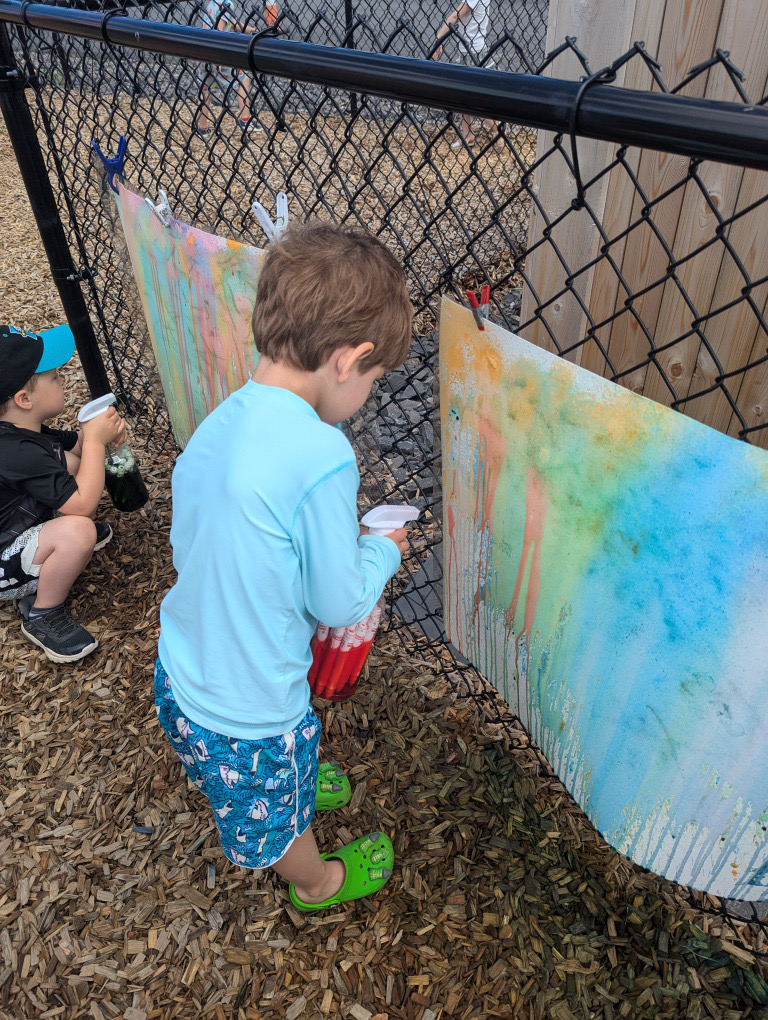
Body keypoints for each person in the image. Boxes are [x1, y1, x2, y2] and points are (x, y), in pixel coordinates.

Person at [155, 220, 414, 911]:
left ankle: (280, 789)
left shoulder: (221, 420)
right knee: (274, 822)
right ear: (349, 359)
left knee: (240, 778)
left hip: (180, 671)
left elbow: (197, 544)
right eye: (374, 378)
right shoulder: (322, 453)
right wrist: (382, 551)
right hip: (253, 715)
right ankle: (316, 882)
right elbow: (338, 601)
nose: (369, 391)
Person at [0, 323, 126, 662]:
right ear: (24, 399)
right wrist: (96, 441)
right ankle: (42, 612)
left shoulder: (23, 431)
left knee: (71, 461)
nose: (63, 380)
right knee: (79, 530)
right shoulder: (17, 452)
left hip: (15, 524)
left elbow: (76, 450)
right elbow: (83, 505)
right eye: (55, 377)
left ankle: (49, 543)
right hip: (2, 562)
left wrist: (98, 433)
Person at [195, 0, 277, 136]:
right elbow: (219, 31)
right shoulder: (228, 4)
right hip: (218, 54)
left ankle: (201, 127)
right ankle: (245, 119)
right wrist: (218, 58)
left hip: (205, 53)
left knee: (206, 89)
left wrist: (256, 31)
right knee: (244, 80)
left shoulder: (213, 3)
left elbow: (234, 24)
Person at [432, 0, 495, 147]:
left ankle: (497, 126)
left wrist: (438, 38)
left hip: (473, 55)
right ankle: (467, 134)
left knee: (470, 98)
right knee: (461, 94)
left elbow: (455, 16)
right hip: (470, 52)